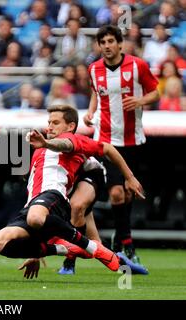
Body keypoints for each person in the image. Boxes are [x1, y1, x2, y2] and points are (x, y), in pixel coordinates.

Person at [0, 104, 146, 275]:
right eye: (49, 122)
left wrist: (129, 177)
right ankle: (74, 251)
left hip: (58, 194)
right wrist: (35, 251)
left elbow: (78, 145)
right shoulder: (40, 149)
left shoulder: (71, 139)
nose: (49, 126)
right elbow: (35, 184)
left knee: (71, 209)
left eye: (55, 122)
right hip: (36, 203)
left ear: (70, 126)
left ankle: (85, 254)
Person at [84, 25, 160, 264]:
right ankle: (126, 243)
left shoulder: (138, 66)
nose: (106, 46)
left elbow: (156, 92)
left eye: (110, 41)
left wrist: (141, 100)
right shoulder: (94, 69)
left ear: (119, 43)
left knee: (128, 193)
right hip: (106, 140)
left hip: (133, 139)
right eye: (102, 42)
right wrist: (90, 112)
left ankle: (121, 238)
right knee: (117, 193)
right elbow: (97, 92)